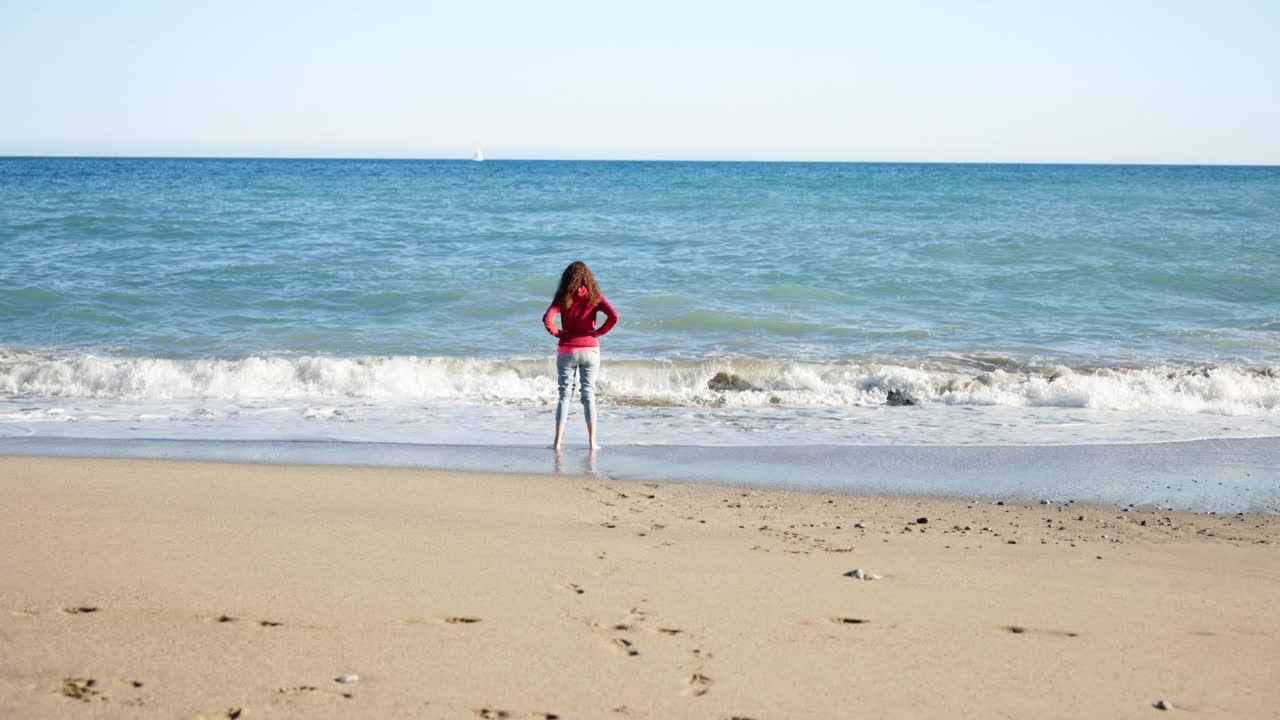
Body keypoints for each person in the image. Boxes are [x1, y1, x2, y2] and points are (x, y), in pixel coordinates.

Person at [542, 261, 618, 450]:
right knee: (588, 394)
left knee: (564, 395)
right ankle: (592, 443)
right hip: (590, 350)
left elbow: (547, 318)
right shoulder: (594, 296)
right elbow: (614, 316)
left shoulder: (563, 297)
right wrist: (598, 333)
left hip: (567, 349)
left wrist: (558, 333)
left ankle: (557, 442)